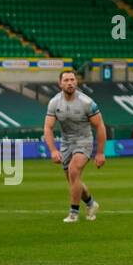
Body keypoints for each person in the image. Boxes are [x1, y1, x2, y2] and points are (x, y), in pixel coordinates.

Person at [43, 69, 105, 223]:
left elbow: (100, 126)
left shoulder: (87, 102)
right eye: (66, 80)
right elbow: (48, 128)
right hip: (66, 143)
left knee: (73, 170)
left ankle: (73, 213)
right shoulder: (54, 102)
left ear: (76, 82)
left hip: (84, 141)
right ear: (60, 84)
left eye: (72, 80)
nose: (70, 83)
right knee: (73, 180)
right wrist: (53, 150)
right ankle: (91, 204)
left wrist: (100, 153)